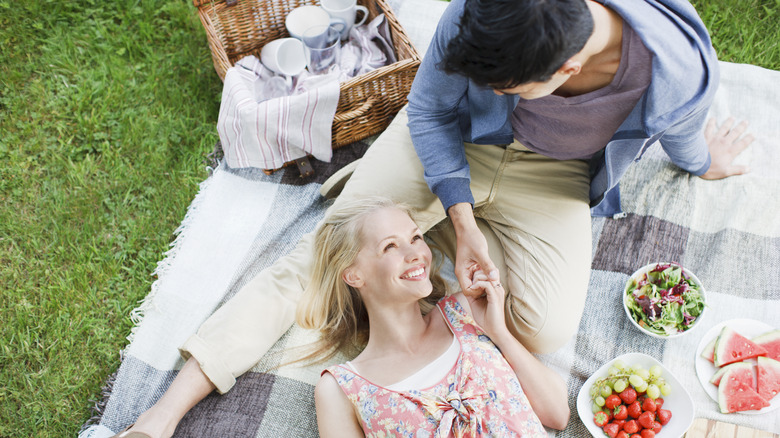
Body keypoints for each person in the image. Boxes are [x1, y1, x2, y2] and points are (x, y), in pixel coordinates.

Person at [113, 0, 753, 436]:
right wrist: (464, 217)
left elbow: (682, 128)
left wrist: (703, 163)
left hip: (552, 174)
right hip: (451, 141)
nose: (497, 91)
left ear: (568, 69)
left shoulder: (675, 67)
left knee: (547, 327)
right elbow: (430, 110)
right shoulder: (486, 15)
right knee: (329, 256)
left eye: (509, 88)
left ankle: (392, 222)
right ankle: (163, 412)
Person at [300, 197, 569, 436]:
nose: (416, 253)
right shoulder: (339, 389)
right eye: (390, 246)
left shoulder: (467, 311)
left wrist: (500, 333)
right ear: (353, 275)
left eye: (416, 238)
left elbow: (558, 415)